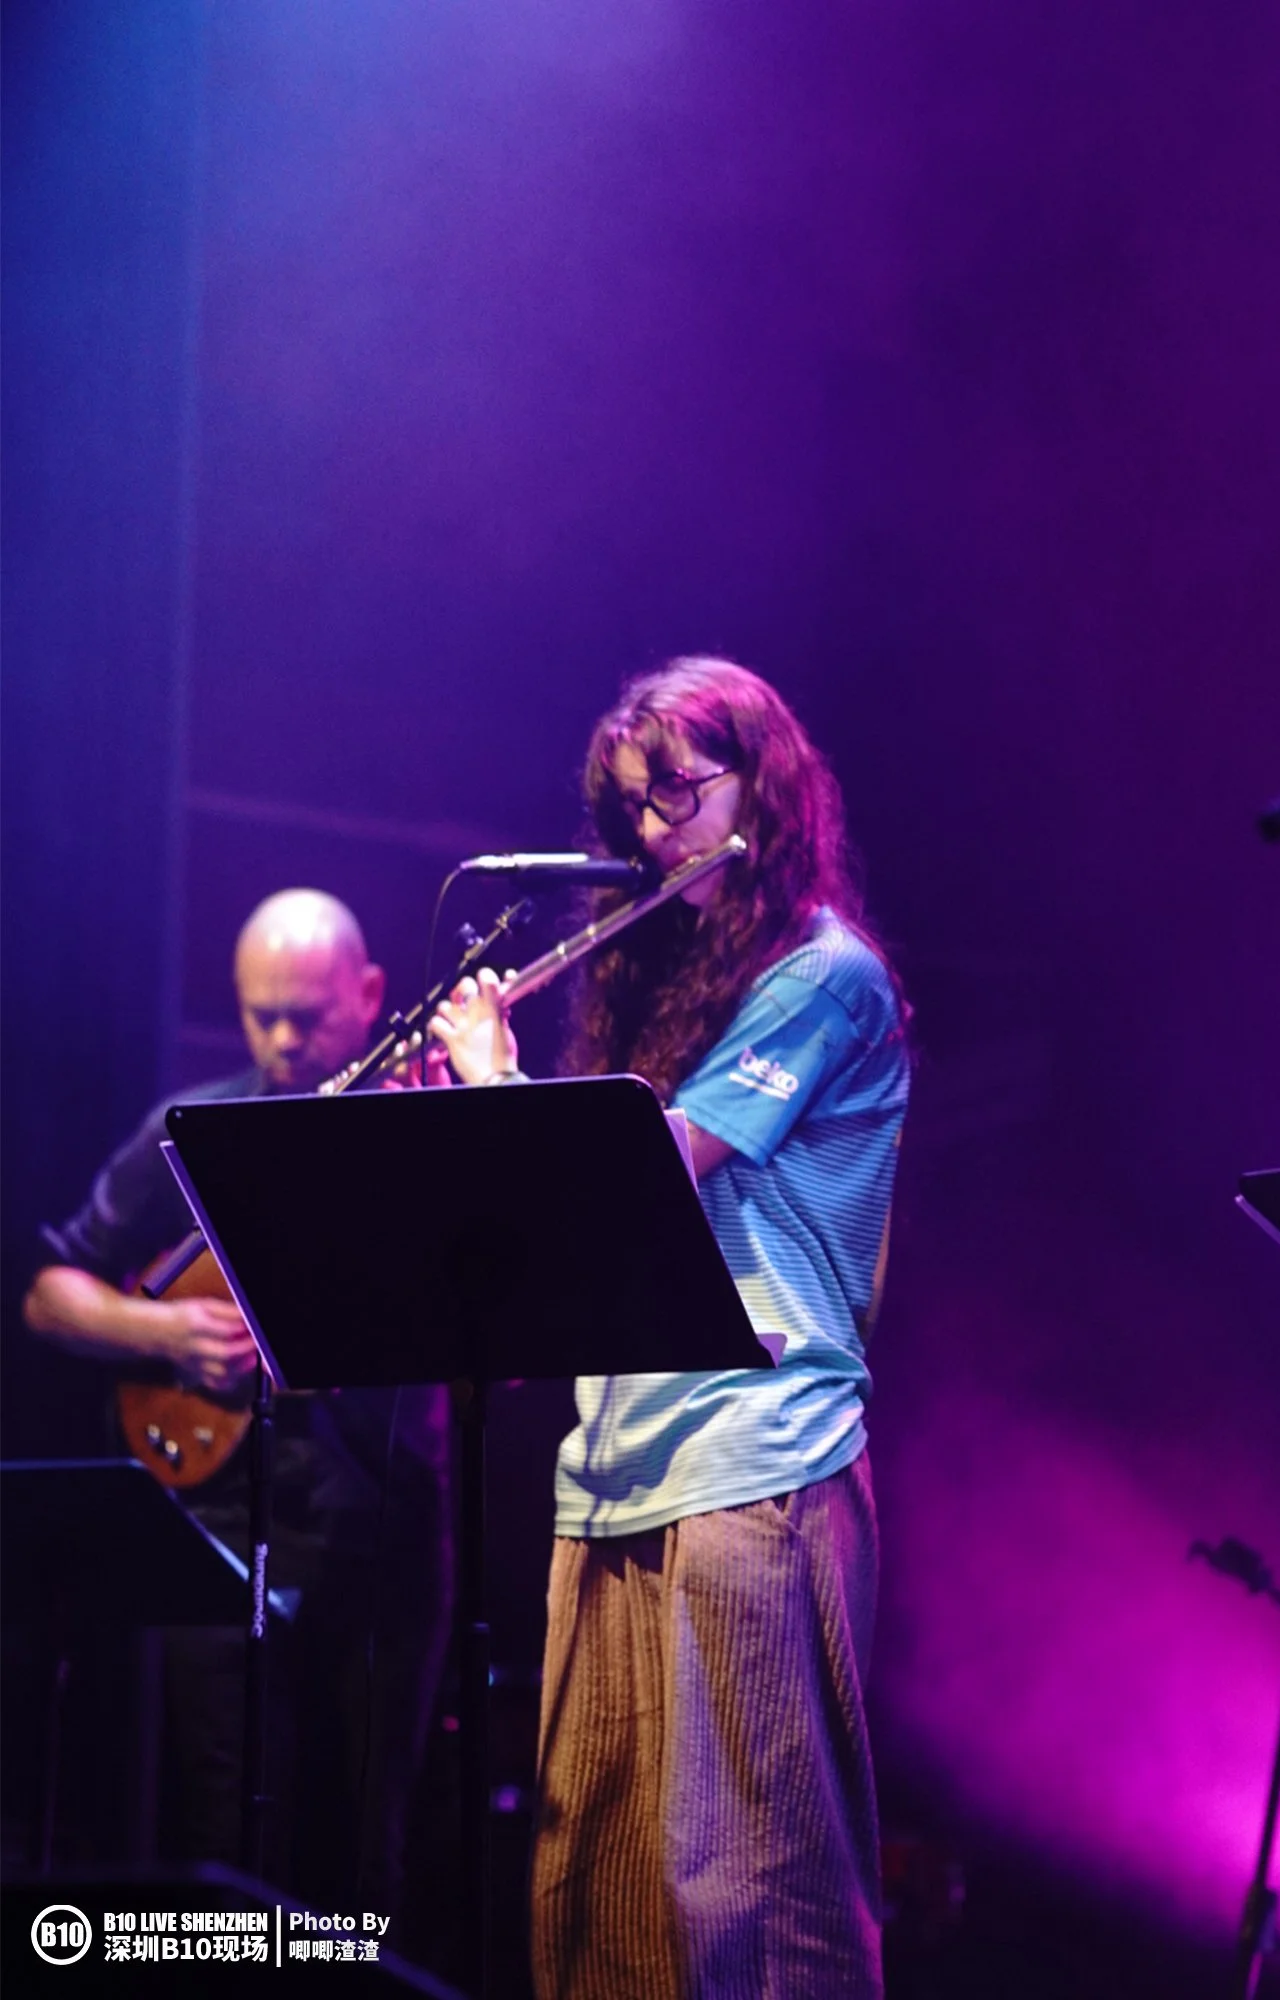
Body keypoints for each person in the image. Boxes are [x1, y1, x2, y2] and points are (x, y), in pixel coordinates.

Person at [426, 659, 910, 1999]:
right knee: (601, 1898)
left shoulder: (825, 977)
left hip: (756, 1463)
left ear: (766, 788)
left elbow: (647, 1168)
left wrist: (497, 1081)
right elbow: (564, 1229)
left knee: (757, 1898)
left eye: (682, 793)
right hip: (614, 1470)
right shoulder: (671, 985)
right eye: (634, 808)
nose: (656, 832)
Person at [23, 888, 452, 1926]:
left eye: (309, 1014)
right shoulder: (193, 1129)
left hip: (383, 1526)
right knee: (225, 1836)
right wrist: (168, 1332)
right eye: (264, 1015)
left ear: (370, 994)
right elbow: (48, 1290)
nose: (285, 1039)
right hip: (218, 1526)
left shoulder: (422, 1133)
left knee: (364, 1854)